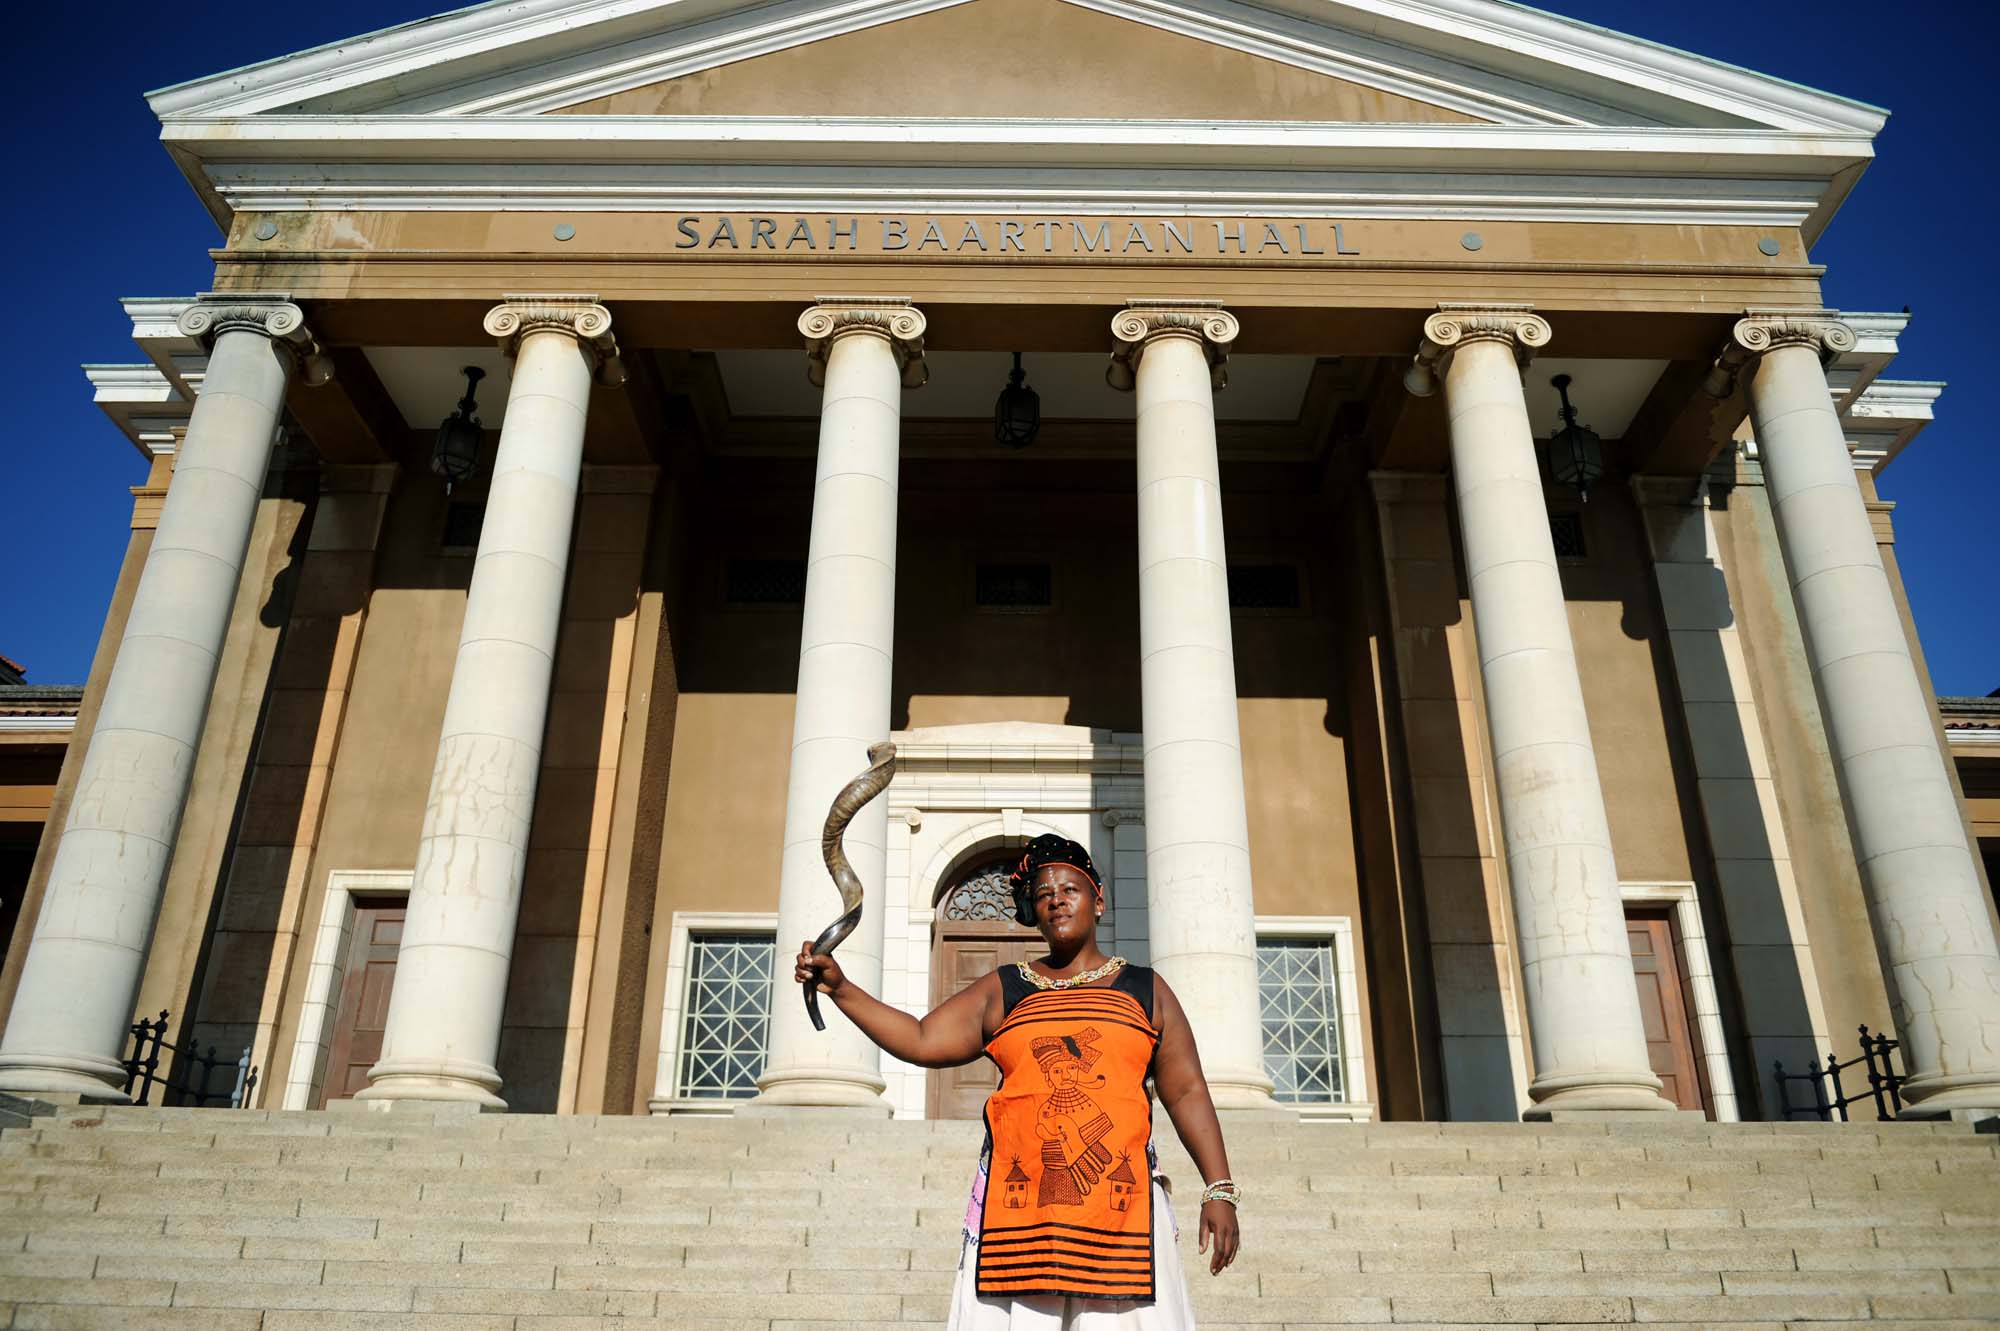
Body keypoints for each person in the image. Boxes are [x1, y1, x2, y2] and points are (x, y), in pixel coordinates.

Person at [794, 832, 1241, 1329]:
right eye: (1044, 895)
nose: (1056, 900)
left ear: (1098, 900)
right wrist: (842, 989)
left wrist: (1218, 1189)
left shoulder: (1144, 988)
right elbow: (921, 1039)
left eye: (1069, 889)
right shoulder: (1006, 988)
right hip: (1021, 1215)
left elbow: (1185, 1091)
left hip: (1123, 1215)